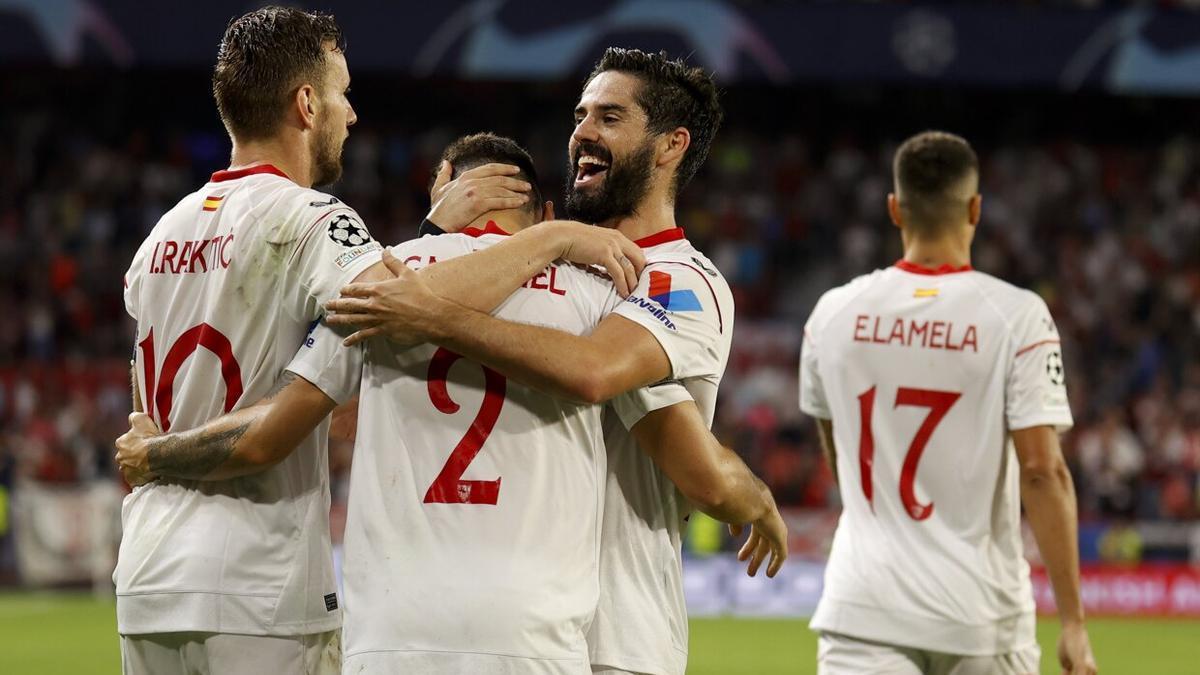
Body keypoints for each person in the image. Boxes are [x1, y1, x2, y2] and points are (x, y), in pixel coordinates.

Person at [117, 132, 781, 674]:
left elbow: (293, 424)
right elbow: (696, 469)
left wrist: (153, 452)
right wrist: (750, 495)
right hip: (534, 633)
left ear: (443, 187)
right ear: (546, 214)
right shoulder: (595, 296)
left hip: (391, 632)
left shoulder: (377, 288)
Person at [114, 8, 643, 673]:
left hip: (147, 578)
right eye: (342, 94)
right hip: (254, 582)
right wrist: (551, 237)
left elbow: (143, 412)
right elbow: (410, 303)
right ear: (306, 104)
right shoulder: (310, 217)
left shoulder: (161, 235)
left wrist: (152, 453)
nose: (352, 114)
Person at [323, 48, 784, 675]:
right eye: (581, 114)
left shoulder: (680, 280)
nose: (583, 132)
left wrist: (750, 494)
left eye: (611, 117)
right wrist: (441, 239)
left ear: (671, 145)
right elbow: (363, 391)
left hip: (620, 635)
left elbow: (604, 379)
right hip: (522, 626)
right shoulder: (549, 270)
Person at [798, 131, 1098, 675]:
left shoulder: (832, 315)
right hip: (979, 615)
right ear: (976, 209)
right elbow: (1042, 471)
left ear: (894, 209)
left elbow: (837, 445)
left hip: (862, 609)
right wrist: (1073, 621)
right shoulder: (1018, 317)